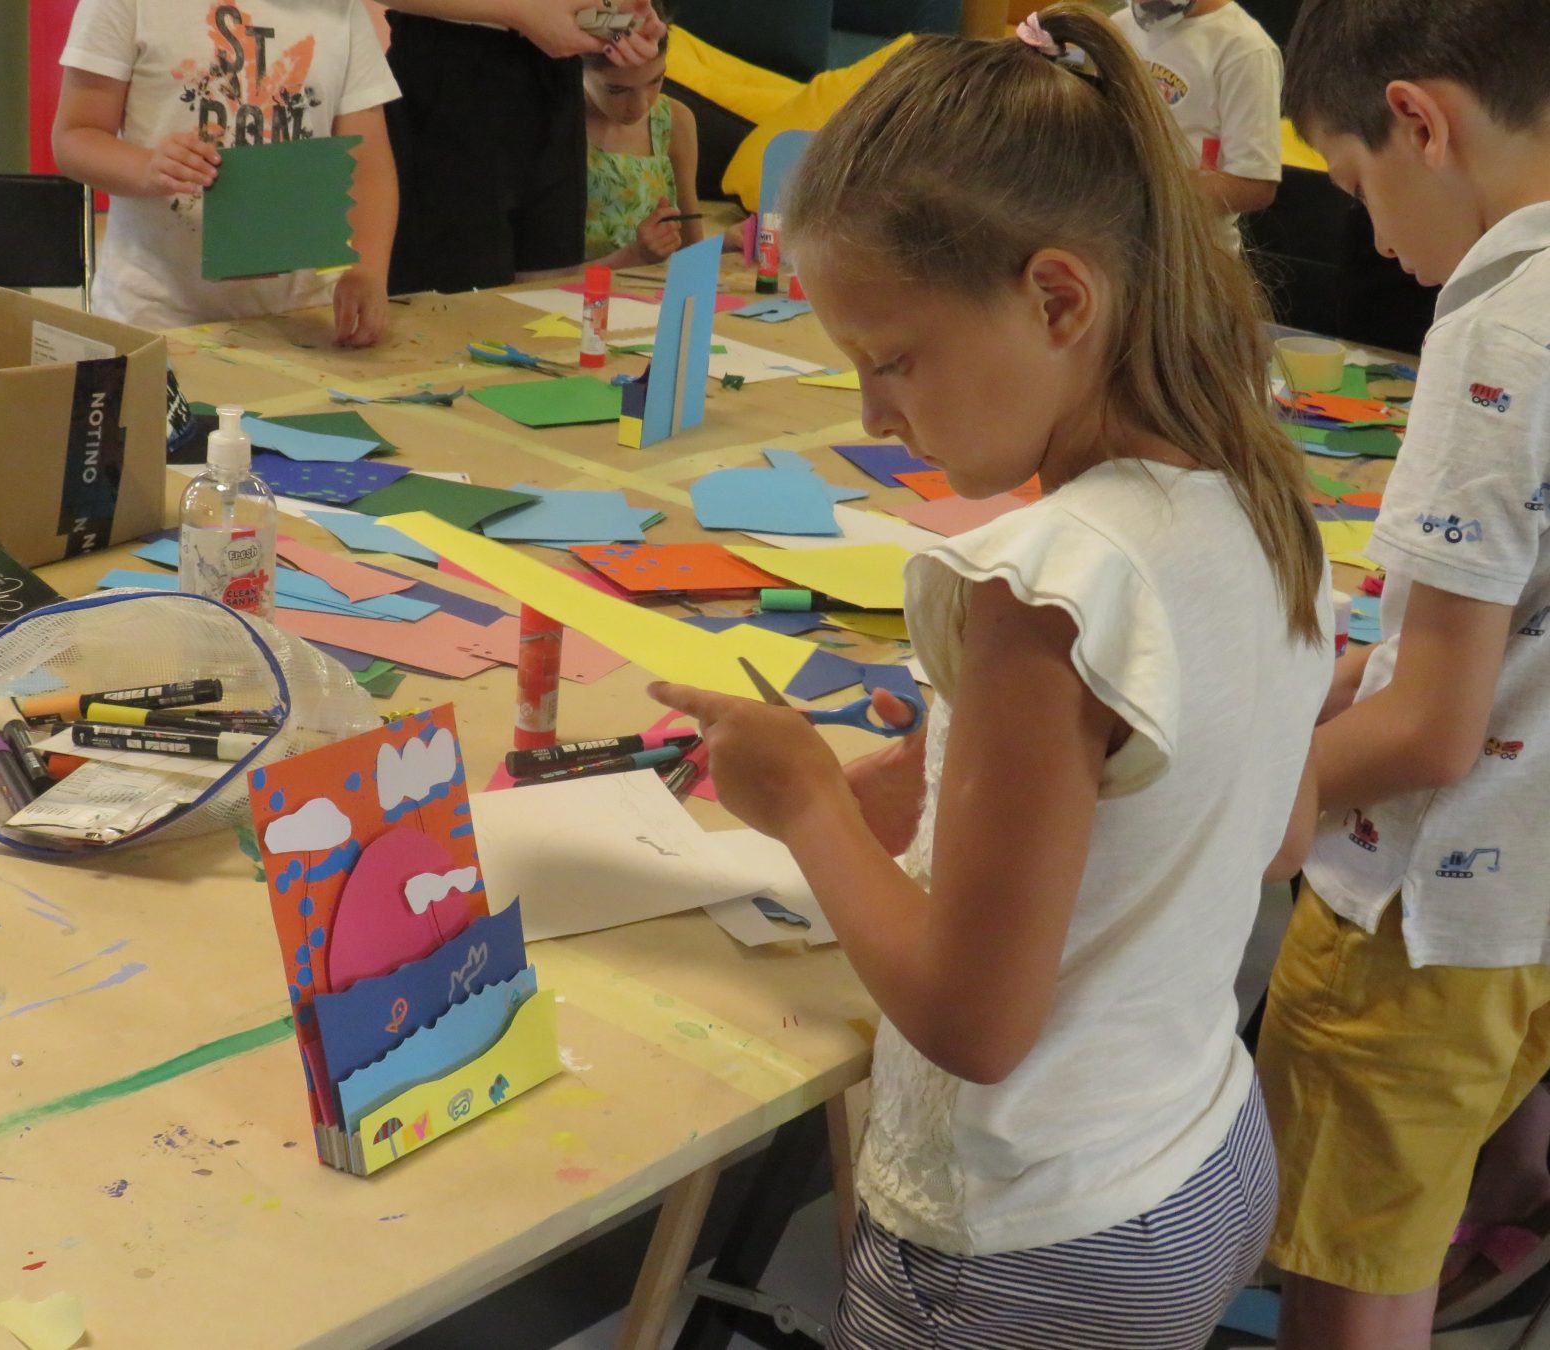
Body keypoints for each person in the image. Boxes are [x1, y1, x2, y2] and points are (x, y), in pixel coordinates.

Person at [651, 8, 1333, 1346]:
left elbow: (974, 1022)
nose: (873, 412)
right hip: (1200, 1159)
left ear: (1058, 299)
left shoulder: (1045, 586)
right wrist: (957, 791)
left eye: (892, 359)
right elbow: (1276, 832)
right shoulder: (1253, 491)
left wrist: (807, 805)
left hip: (1035, 1247)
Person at [1251, 0, 1550, 1345]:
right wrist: (1355, 671)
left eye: (1357, 183)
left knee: (1354, 1289)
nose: (1373, 238)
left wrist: (1244, 794)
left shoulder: (1498, 328)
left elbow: (1430, 733)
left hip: (1414, 921)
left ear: (1419, 121)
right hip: (1525, 901)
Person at [54, 0, 400, 345]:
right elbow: (76, 136)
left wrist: (367, 270)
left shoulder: (341, 9)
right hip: (156, 316)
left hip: (302, 318)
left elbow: (367, 165)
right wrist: (147, 167)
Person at [379, 0, 665, 295]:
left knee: (550, 290)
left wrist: (620, 10)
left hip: (556, 68)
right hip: (449, 67)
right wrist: (523, 11)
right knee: (455, 293)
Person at [1110, 0, 1282, 248]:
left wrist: (1143, 193)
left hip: (1197, 250)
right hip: (1117, 243)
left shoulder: (1244, 49)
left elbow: (1254, 185)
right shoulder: (1119, 27)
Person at [581, 8, 702, 269]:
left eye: (656, 80)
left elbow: (692, 248)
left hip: (652, 292)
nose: (640, 105)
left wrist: (724, 245)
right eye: (616, 90)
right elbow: (529, 278)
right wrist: (634, 255)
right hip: (571, 291)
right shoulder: (556, 126)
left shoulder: (674, 122)